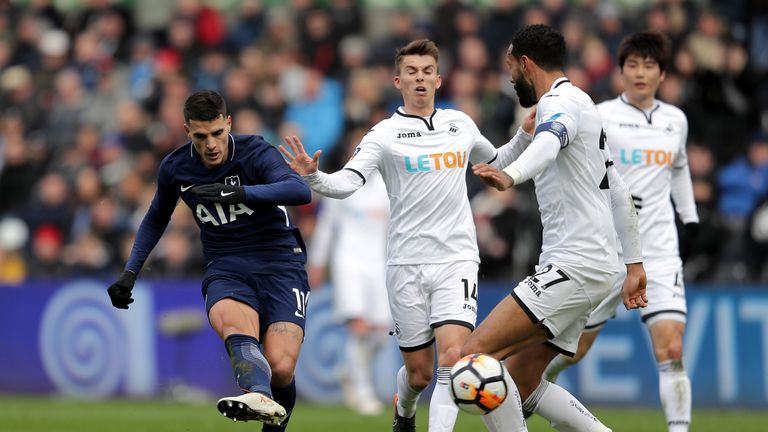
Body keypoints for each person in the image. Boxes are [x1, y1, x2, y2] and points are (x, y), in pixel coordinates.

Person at [279, 39, 535, 432]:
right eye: (412, 72)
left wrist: (523, 135)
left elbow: (495, 161)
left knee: (453, 356)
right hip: (406, 263)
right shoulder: (384, 134)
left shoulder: (460, 124)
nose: (420, 78)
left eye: (427, 71)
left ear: (438, 78)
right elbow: (348, 183)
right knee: (418, 374)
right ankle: (405, 409)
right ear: (398, 81)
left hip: (457, 258)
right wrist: (314, 176)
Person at [462, 24, 648, 432]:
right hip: (596, 266)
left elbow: (548, 144)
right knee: (524, 384)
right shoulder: (583, 104)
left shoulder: (558, 105)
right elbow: (617, 191)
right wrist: (633, 265)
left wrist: (510, 177)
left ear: (526, 64)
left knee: (474, 355)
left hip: (574, 266)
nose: (511, 78)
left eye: (511, 68)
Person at [106, 90, 312, 431]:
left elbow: (299, 191)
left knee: (281, 367)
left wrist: (238, 192)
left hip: (280, 262)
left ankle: (267, 405)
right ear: (188, 131)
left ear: (228, 123)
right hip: (226, 265)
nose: (212, 144)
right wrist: (130, 272)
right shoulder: (176, 167)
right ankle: (257, 394)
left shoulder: (256, 152)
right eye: (201, 136)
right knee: (236, 328)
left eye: (218, 133)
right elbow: (157, 217)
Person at [543, 31, 698, 432]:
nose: (640, 72)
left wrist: (690, 216)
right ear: (620, 71)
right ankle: (537, 384)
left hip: (660, 249)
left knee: (673, 348)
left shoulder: (675, 121)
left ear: (662, 74)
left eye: (649, 65)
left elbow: (679, 170)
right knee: (574, 350)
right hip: (608, 249)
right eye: (633, 64)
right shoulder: (601, 115)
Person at [307, 135, 392, 416]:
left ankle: (350, 370)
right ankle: (363, 391)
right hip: (348, 264)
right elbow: (326, 228)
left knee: (381, 333)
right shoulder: (340, 183)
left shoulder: (386, 187)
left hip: (379, 265)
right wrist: (317, 263)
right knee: (358, 326)